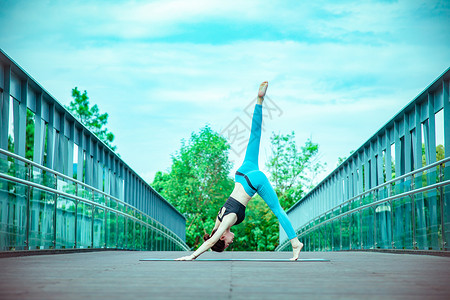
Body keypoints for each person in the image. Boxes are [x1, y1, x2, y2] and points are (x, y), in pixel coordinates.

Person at [176, 81, 303, 261]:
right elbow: (213, 238)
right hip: (242, 174)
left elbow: (211, 241)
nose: (231, 241)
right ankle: (259, 100)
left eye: (227, 243)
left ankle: (295, 243)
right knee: (255, 135)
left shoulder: (226, 222)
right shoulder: (218, 220)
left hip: (253, 181)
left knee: (278, 210)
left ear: (221, 236)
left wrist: (192, 256)